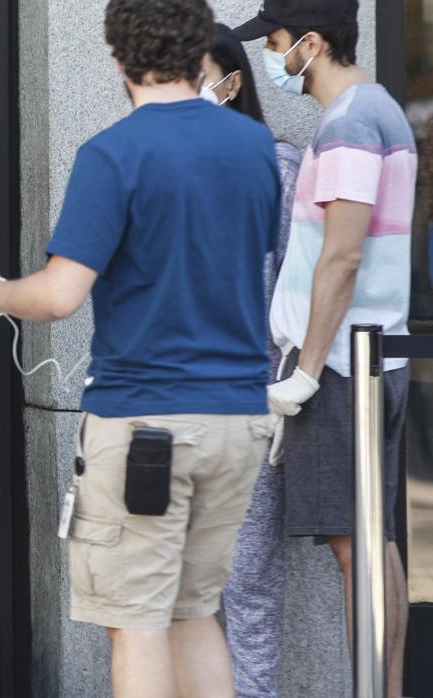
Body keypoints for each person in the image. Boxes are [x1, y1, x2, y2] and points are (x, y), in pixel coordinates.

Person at [0, 0, 282, 695]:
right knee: (194, 615)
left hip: (146, 425)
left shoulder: (113, 153)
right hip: (238, 419)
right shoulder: (253, 147)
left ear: (115, 59)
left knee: (135, 625)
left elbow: (59, 294)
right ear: (202, 53)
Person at [233, 2, 417, 696]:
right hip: (366, 358)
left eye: (276, 43)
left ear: (310, 44)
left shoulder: (347, 125)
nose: (273, 59)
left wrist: (305, 372)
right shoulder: (381, 111)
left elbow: (338, 259)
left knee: (356, 548)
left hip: (340, 365)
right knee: (373, 542)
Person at [203, 23, 305, 698]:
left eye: (194, 76)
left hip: (249, 400)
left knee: (245, 589)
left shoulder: (276, 165)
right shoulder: (158, 164)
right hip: (173, 403)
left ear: (230, 81)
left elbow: (287, 293)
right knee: (177, 599)